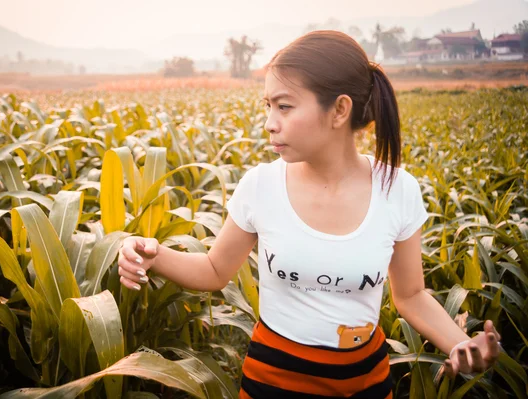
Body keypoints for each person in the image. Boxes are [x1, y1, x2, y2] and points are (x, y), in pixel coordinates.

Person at [118, 30, 501, 398]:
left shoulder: (397, 189)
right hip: (272, 379)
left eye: (284, 106)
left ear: (339, 110)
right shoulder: (261, 185)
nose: (270, 122)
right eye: (267, 106)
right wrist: (153, 254)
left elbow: (412, 295)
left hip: (365, 383)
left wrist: (464, 346)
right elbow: (215, 271)